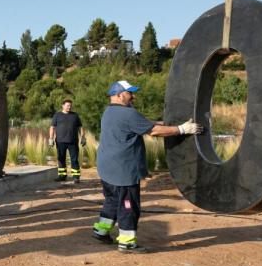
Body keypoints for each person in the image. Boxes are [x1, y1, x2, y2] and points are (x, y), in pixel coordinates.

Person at [92, 80, 202, 253]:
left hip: (106, 168)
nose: (133, 96)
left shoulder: (109, 111)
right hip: (123, 171)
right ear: (120, 95)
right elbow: (154, 132)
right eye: (130, 93)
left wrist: (165, 123)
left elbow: (143, 124)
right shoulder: (128, 114)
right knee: (128, 205)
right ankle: (127, 242)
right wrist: (182, 129)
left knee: (112, 200)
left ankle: (101, 230)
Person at [49, 99, 86, 182]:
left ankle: (76, 177)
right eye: (68, 105)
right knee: (61, 159)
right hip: (60, 141)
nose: (69, 107)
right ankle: (62, 176)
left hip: (73, 142)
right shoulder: (57, 115)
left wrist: (83, 137)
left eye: (70, 105)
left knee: (74, 159)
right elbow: (52, 127)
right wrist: (50, 139)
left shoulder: (75, 115)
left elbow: (80, 127)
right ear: (63, 106)